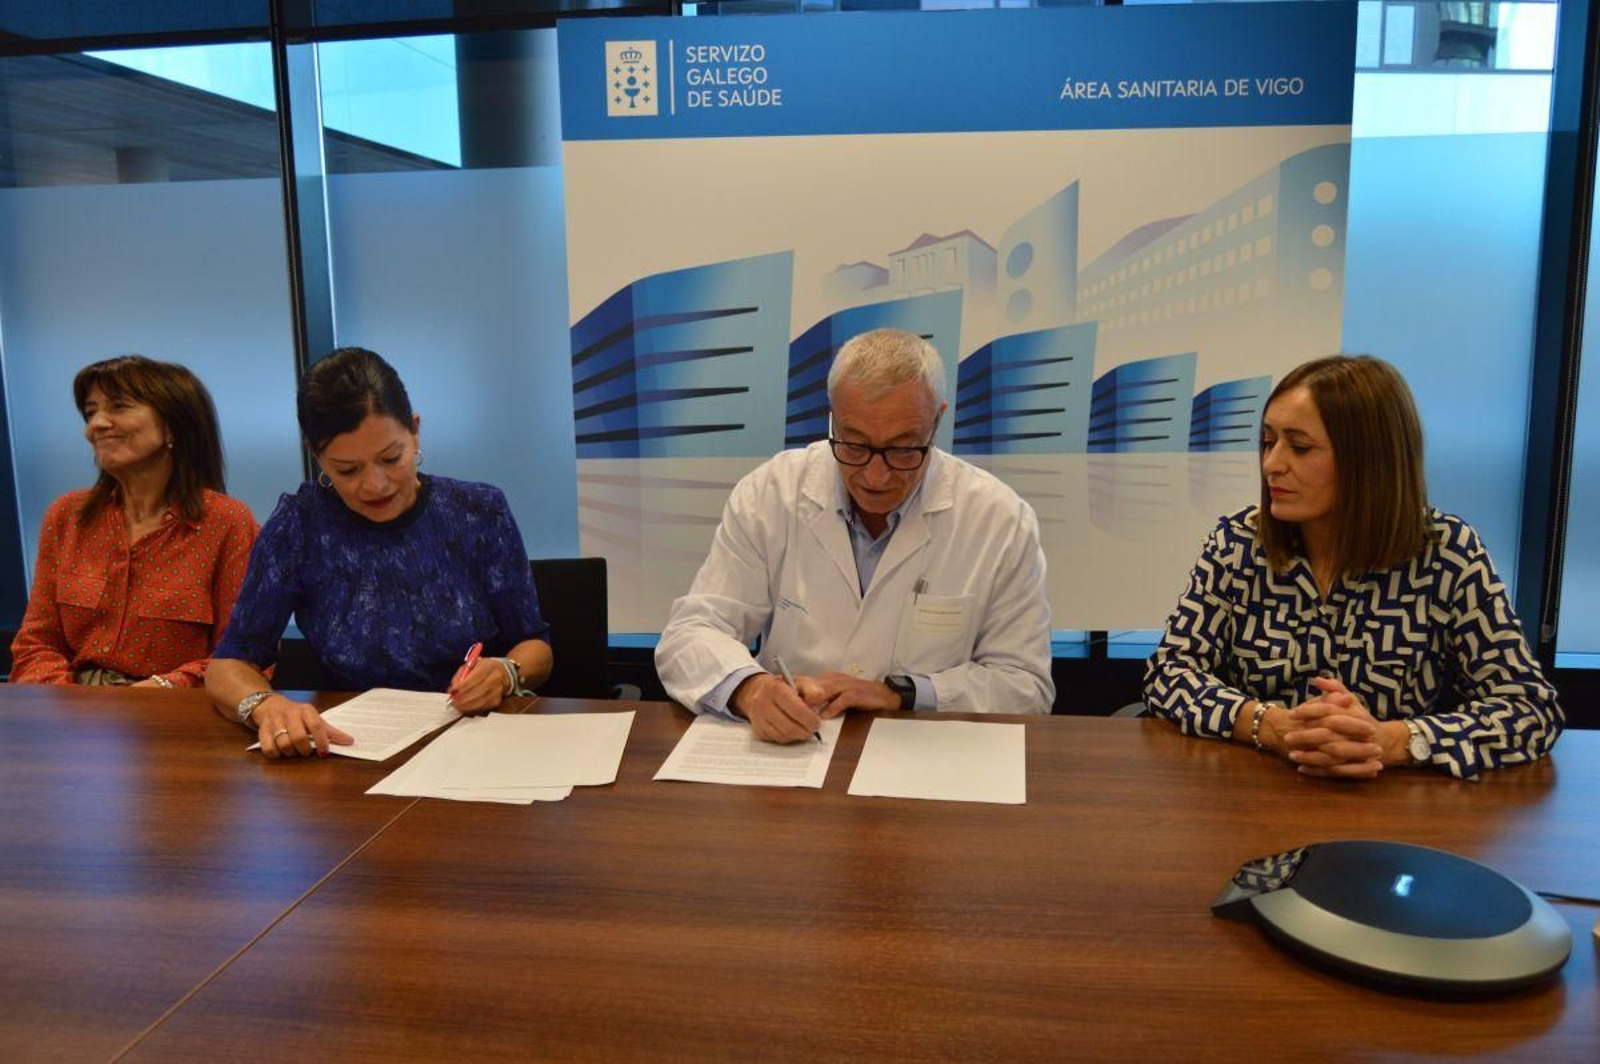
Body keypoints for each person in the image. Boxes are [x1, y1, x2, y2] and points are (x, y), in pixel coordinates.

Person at [1144, 354, 1563, 779]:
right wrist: (1271, 725)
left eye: (1300, 447)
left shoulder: (1448, 553)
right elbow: (1169, 671)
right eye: (1268, 442)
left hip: (1394, 810)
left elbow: (1529, 707)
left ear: (1369, 459)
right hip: (1254, 795)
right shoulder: (1238, 542)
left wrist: (1394, 740)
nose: (1272, 464)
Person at [656, 328, 1054, 743]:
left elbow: (1025, 687)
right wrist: (750, 689)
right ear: (832, 416)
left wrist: (903, 693)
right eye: (854, 444)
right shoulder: (772, 492)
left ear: (937, 421)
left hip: (924, 758)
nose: (875, 476)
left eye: (903, 449)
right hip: (793, 755)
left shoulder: (999, 519)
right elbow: (690, 633)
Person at [206, 347, 552, 759]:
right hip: (355, 750)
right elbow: (228, 666)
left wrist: (505, 672)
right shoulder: (300, 525)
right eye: (347, 470)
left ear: (416, 432)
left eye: (392, 458)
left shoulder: (477, 512)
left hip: (477, 741)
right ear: (318, 458)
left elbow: (535, 646)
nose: (375, 485)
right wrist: (265, 706)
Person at [10, 356, 258, 687]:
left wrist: (154, 692)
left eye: (118, 407)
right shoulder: (66, 515)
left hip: (174, 714)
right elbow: (36, 643)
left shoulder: (227, 522)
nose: (95, 425)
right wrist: (73, 704)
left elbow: (243, 654)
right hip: (71, 710)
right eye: (90, 412)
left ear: (173, 425)